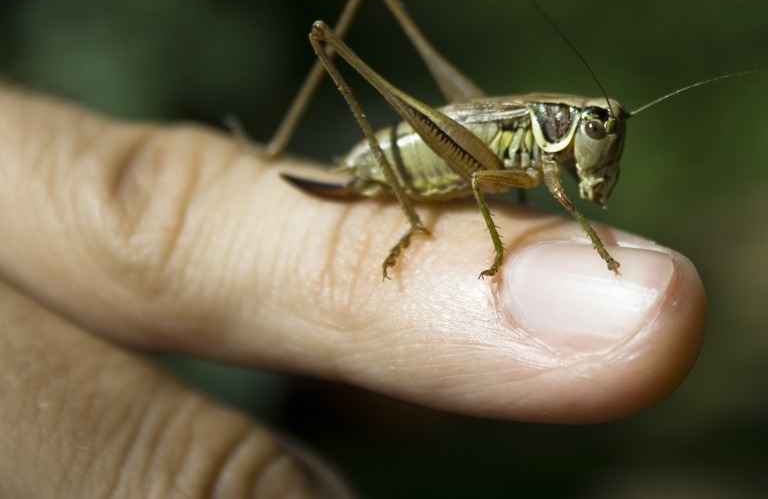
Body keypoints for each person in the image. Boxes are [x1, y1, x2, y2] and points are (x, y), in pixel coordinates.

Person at [0, 84, 706, 497]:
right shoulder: (528, 139)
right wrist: (493, 250)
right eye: (593, 128)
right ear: (567, 125)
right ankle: (275, 152)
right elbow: (489, 181)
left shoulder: (565, 134)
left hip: (459, 145)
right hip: (414, 154)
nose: (599, 137)